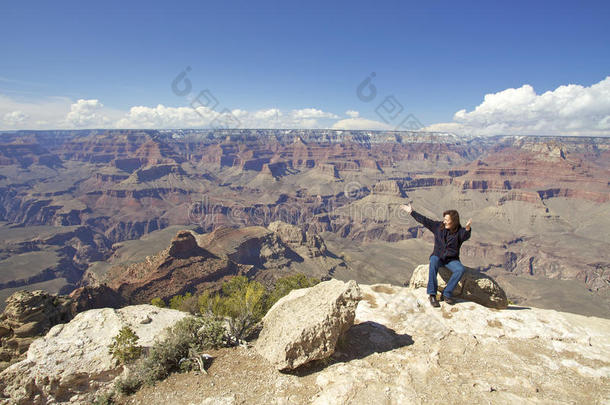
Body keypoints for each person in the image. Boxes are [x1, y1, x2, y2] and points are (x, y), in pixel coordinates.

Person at [400, 202, 472, 307]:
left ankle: (447, 294)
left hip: (451, 260)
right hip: (438, 256)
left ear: (454, 221)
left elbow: (465, 235)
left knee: (460, 269)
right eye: (444, 219)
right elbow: (424, 220)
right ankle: (432, 294)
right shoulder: (438, 226)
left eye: (447, 220)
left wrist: (468, 229)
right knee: (433, 261)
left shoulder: (459, 232)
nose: (444, 221)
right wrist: (411, 212)